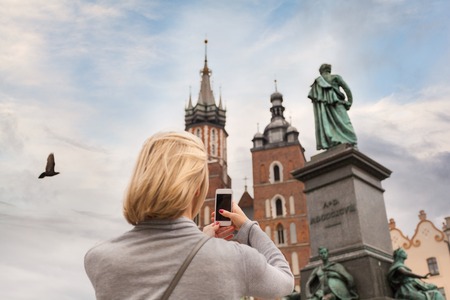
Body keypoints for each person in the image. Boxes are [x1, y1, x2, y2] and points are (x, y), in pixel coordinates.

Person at [84, 131, 294, 299]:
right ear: (195, 188)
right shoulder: (234, 258)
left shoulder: (99, 258)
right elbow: (285, 280)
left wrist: (201, 241)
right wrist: (249, 227)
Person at [308, 64, 357, 150]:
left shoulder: (317, 82)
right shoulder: (335, 77)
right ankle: (352, 143)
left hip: (325, 109)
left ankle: (331, 142)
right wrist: (349, 102)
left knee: (330, 125)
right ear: (329, 70)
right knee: (346, 123)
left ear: (321, 72)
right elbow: (347, 89)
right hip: (338, 104)